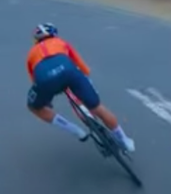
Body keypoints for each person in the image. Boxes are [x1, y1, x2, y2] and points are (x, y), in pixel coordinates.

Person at [25, 22, 136, 152]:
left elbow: (34, 80)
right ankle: (124, 140)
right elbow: (82, 67)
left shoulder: (31, 54)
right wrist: (84, 81)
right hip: (69, 73)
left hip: (45, 80)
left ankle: (76, 131)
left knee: (34, 107)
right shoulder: (61, 42)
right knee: (97, 107)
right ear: (54, 34)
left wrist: (46, 100)